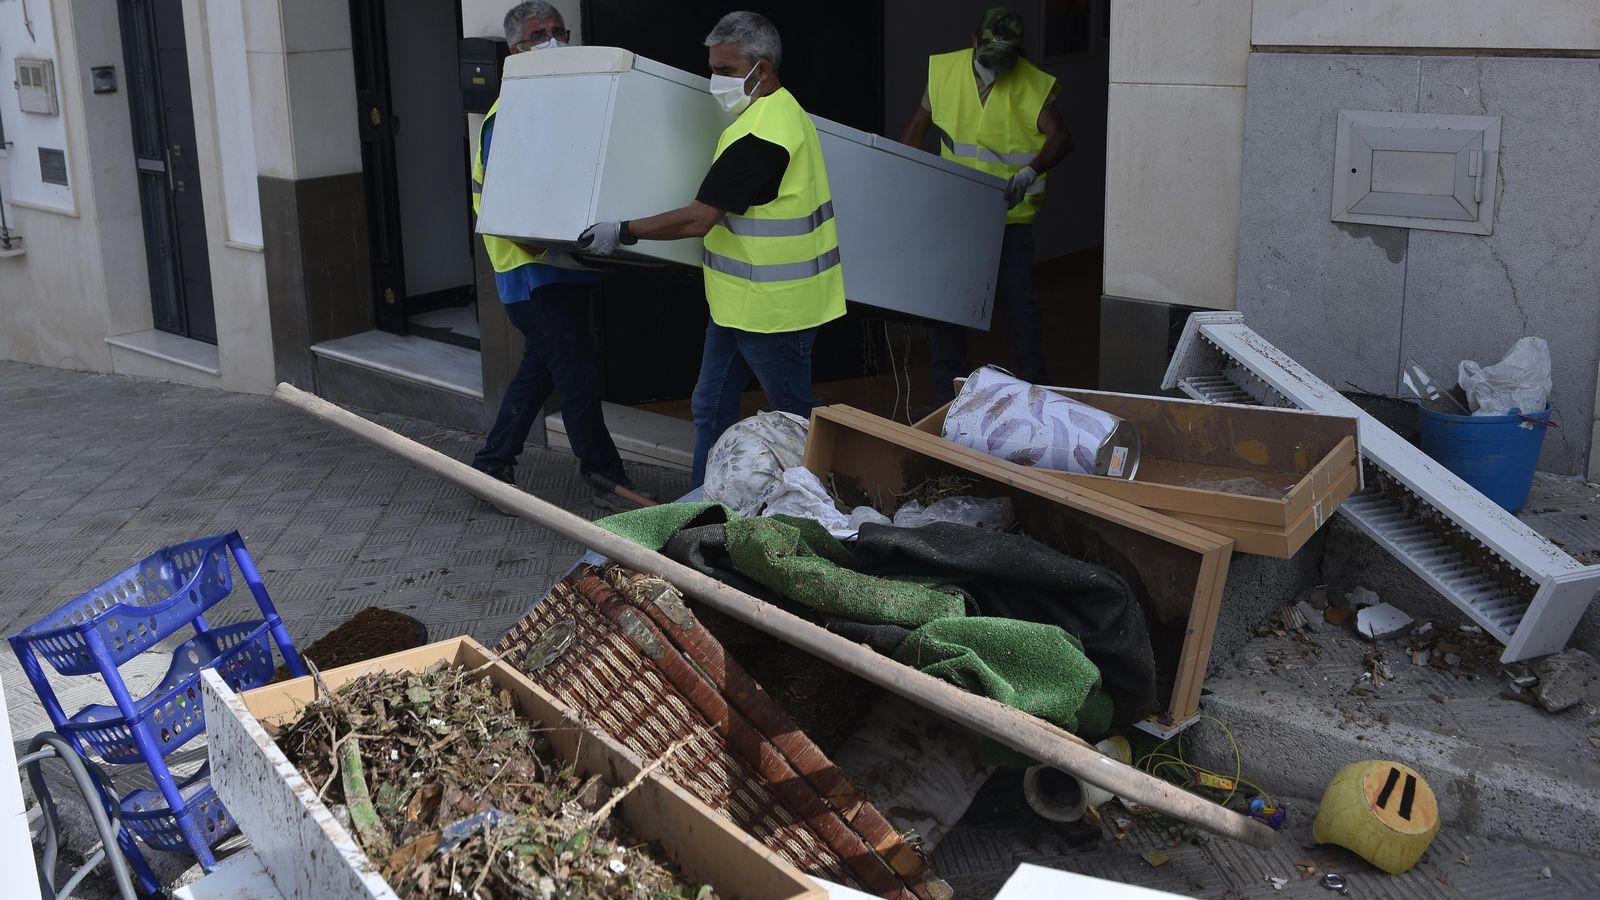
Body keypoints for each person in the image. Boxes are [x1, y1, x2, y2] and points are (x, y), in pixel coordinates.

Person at [578, 11, 845, 488]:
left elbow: (700, 217)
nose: (714, 80)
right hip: (737, 305)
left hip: (774, 314)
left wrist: (622, 230)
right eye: (713, 68)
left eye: (725, 70)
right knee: (710, 406)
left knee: (796, 421)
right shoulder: (769, 115)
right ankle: (702, 509)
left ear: (760, 70)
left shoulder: (763, 135)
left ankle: (831, 503)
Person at [471, 2, 651, 512]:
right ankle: (604, 477)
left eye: (557, 31)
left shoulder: (562, 106)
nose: (551, 41)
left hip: (565, 274)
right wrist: (562, 251)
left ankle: (491, 467)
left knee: (541, 372)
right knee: (576, 374)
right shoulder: (507, 119)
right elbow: (510, 214)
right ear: (515, 51)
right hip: (533, 276)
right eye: (537, 35)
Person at [900, 6, 1073, 407]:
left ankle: (1036, 391)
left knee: (1018, 302)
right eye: (988, 59)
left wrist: (1030, 172)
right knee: (948, 301)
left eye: (1004, 62)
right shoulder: (943, 72)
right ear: (973, 41)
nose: (996, 69)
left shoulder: (1032, 82)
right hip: (954, 214)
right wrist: (902, 186)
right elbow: (915, 130)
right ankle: (949, 394)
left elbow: (1061, 138)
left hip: (1007, 216)